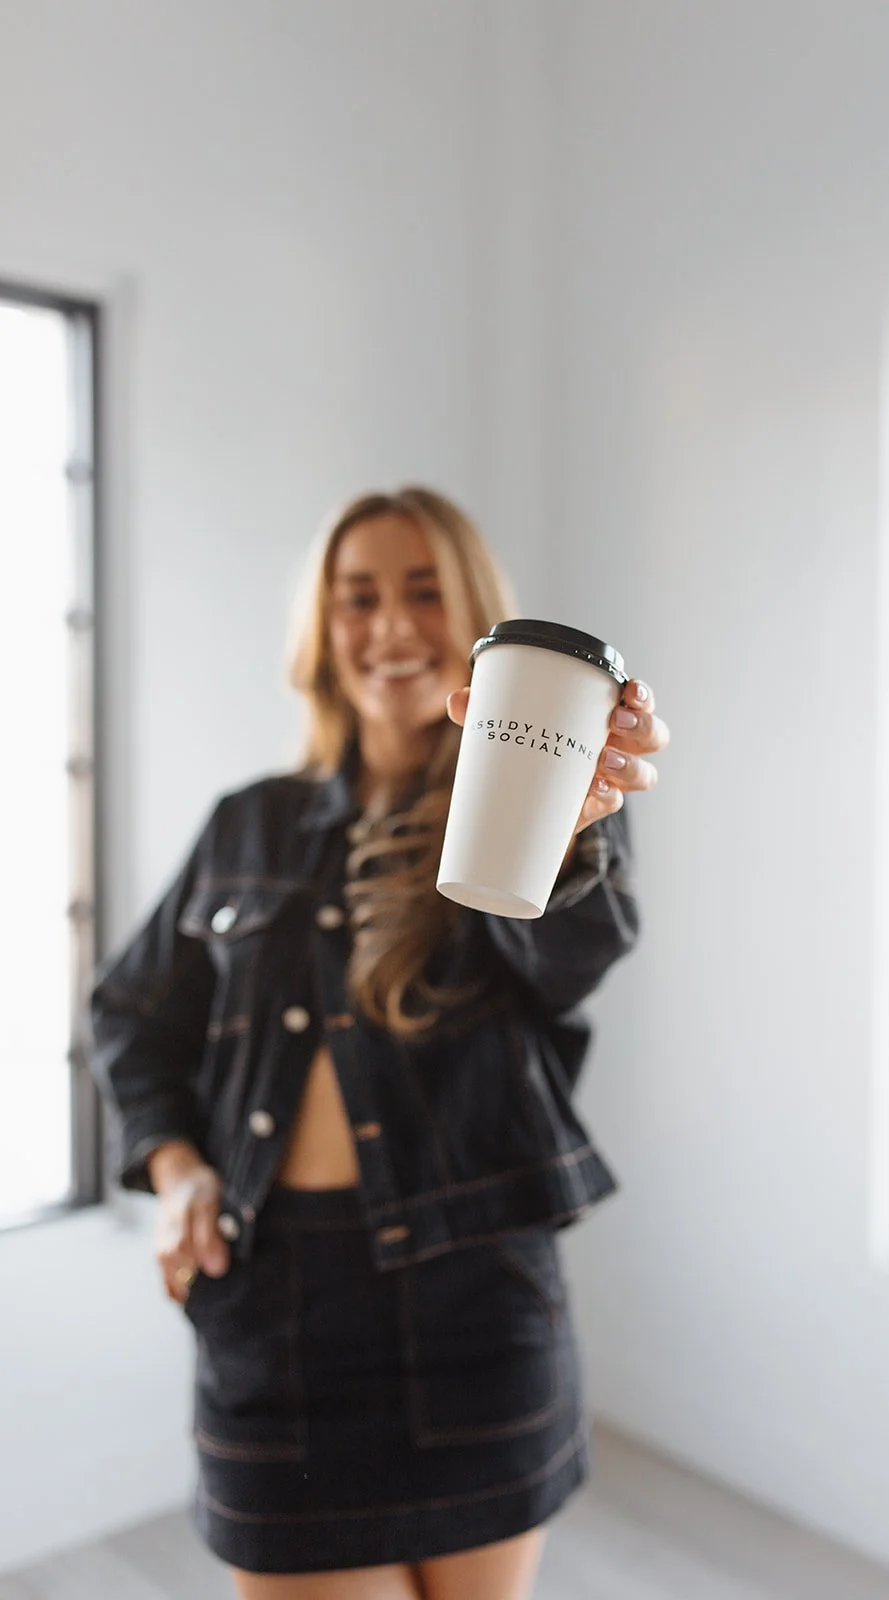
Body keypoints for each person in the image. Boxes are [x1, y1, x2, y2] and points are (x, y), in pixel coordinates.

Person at [90, 486, 668, 1600]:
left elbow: (575, 956)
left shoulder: (545, 815)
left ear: (476, 632)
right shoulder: (245, 823)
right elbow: (130, 1013)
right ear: (324, 627)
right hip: (274, 1310)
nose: (392, 626)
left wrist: (574, 818)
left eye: (424, 593)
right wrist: (176, 1170)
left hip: (477, 1302)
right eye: (359, 597)